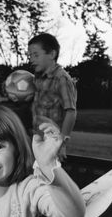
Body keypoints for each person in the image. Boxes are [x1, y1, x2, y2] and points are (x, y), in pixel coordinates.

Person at [28, 32, 77, 162]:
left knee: (51, 178)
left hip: (53, 144)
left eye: (36, 55)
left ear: (52, 54)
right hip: (38, 140)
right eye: (30, 55)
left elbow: (71, 112)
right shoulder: (37, 78)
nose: (31, 59)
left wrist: (61, 144)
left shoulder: (61, 78)